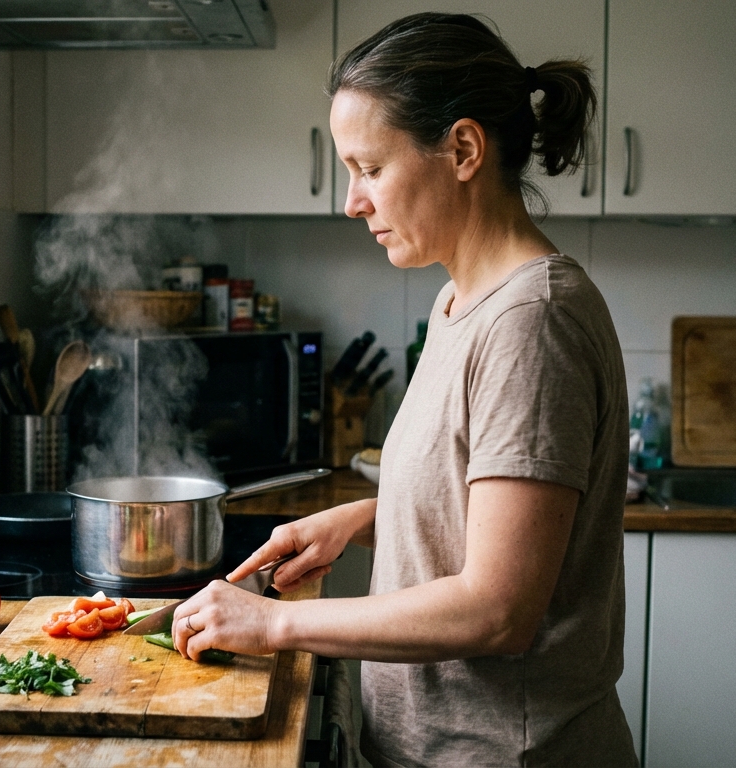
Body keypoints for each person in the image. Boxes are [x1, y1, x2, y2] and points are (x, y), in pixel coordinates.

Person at [171, 12, 636, 767]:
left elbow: (498, 610)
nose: (352, 200)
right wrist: (361, 518)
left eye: (370, 168)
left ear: (461, 149)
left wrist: (274, 625)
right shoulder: (461, 302)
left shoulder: (532, 324)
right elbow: (477, 506)